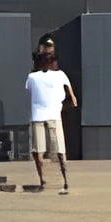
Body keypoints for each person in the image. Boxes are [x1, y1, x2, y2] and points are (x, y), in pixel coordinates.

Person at [25, 42, 78, 192]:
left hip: (39, 115)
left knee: (39, 151)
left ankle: (43, 180)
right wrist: (72, 98)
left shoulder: (32, 77)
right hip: (53, 114)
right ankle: (64, 180)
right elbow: (70, 90)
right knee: (59, 149)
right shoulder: (59, 74)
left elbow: (28, 92)